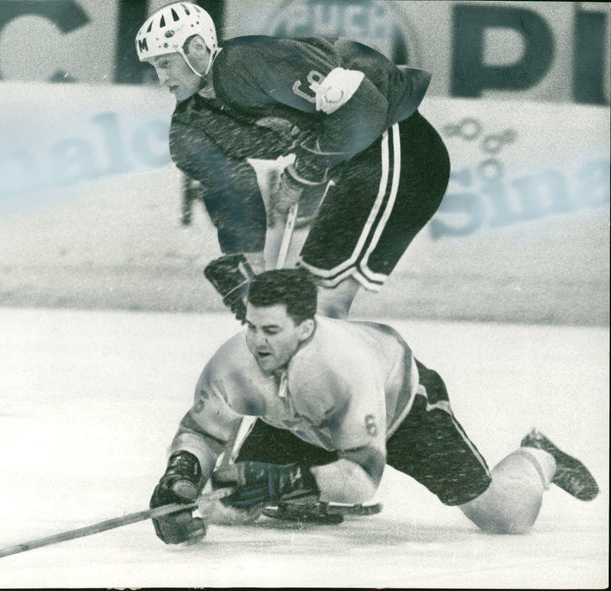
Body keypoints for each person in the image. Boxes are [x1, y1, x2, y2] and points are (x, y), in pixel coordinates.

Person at [148, 268, 599, 544]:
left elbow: (363, 477)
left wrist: (288, 480)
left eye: (271, 330)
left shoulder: (345, 366)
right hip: (301, 423)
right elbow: (203, 433)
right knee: (229, 505)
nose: (256, 342)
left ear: (305, 329)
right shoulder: (234, 362)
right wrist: (180, 477)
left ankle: (540, 456)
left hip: (401, 412)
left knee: (505, 518)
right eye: (252, 327)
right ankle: (306, 493)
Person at [135, 3, 450, 320]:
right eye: (155, 67)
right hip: (366, 166)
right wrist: (251, 267)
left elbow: (363, 108)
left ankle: (399, 371)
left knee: (318, 307)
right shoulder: (190, 124)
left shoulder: (246, 62)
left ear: (197, 48)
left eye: (165, 63)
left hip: (399, 145)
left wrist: (300, 176)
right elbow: (229, 186)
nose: (161, 78)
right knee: (305, 311)